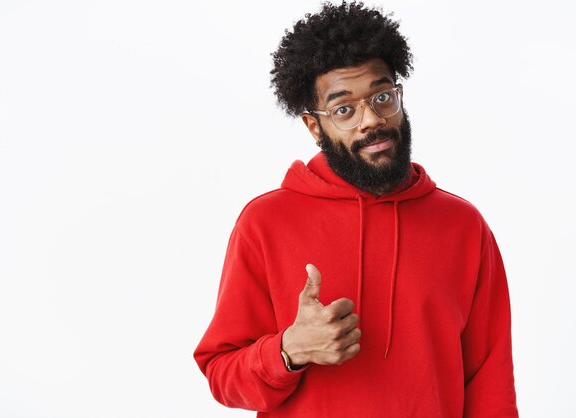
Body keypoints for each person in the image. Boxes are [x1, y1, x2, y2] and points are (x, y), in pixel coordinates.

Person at [193, 2, 519, 417]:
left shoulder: (463, 226)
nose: (371, 120)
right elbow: (221, 374)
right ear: (315, 127)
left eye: (382, 97)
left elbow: (491, 385)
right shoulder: (265, 222)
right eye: (344, 109)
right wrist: (288, 351)